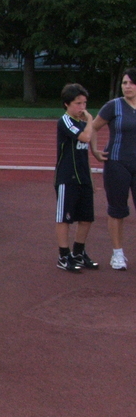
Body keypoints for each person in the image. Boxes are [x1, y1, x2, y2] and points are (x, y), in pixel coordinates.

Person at [90, 67, 136, 270]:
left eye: (131, 83)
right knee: (117, 210)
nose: (127, 86)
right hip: (117, 163)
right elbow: (93, 127)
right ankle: (117, 254)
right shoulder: (113, 106)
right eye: (125, 83)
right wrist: (95, 151)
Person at [54, 83, 99, 273]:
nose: (82, 108)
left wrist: (90, 177)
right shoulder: (65, 121)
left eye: (84, 103)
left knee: (86, 218)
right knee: (64, 218)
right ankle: (64, 256)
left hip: (83, 177)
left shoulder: (82, 122)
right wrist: (90, 120)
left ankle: (79, 252)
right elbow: (85, 137)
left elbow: (87, 149)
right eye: (78, 103)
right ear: (67, 104)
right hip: (67, 177)